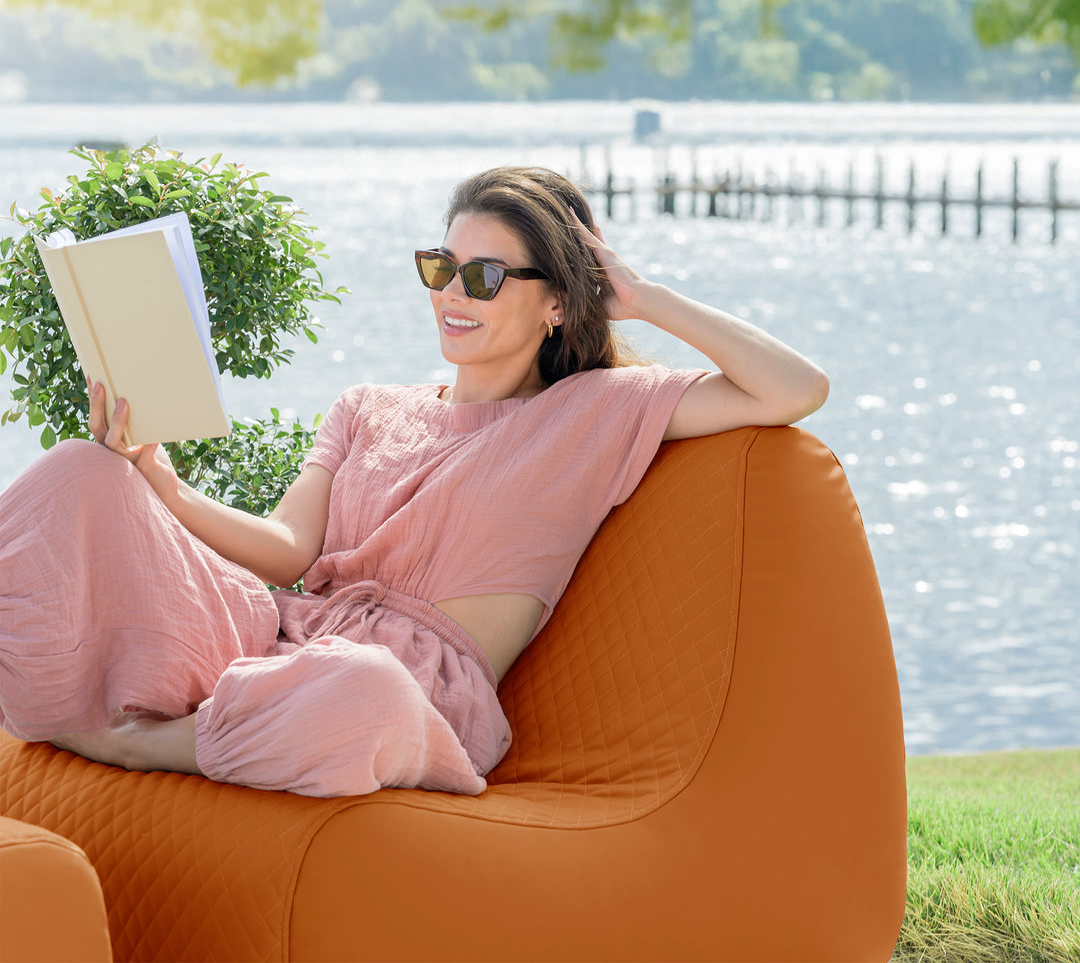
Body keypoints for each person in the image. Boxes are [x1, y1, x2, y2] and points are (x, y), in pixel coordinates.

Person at [0, 166, 828, 797]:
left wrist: (642, 297)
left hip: (405, 694)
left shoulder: (598, 411)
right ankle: (175, 709)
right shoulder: (366, 407)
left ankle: (132, 740)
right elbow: (287, 550)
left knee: (358, 690)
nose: (453, 296)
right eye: (443, 267)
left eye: (487, 277)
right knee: (82, 471)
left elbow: (793, 388)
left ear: (559, 303)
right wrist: (160, 483)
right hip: (278, 638)